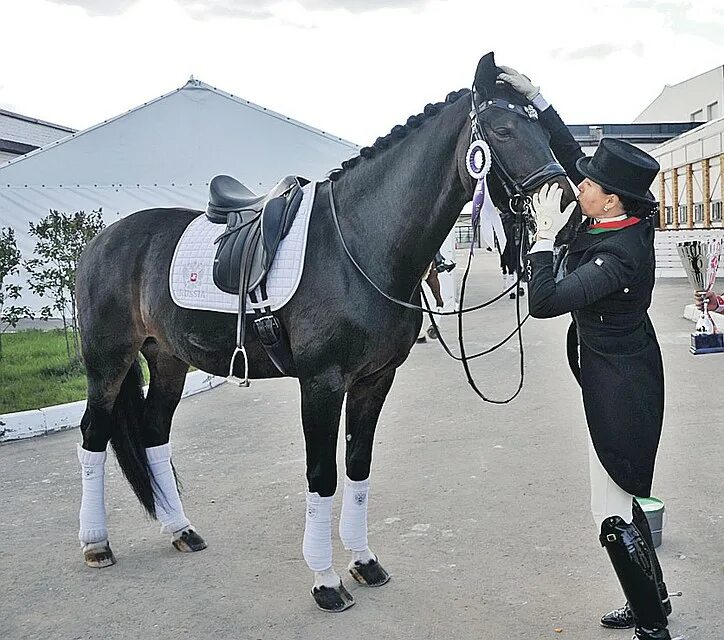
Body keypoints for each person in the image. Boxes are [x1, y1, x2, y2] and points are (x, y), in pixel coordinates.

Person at [498, 66, 672, 640]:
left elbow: (545, 302)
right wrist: (539, 99)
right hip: (615, 371)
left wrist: (546, 238)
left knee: (611, 512)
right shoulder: (617, 216)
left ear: (611, 198)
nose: (578, 187)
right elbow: (576, 157)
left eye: (589, 186)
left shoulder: (619, 254)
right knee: (625, 499)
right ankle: (652, 600)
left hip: (622, 385)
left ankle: (651, 625)